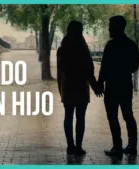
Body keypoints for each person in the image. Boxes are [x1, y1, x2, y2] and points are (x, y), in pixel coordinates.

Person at [97, 15, 139, 158]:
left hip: (112, 87)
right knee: (128, 116)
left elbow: (104, 67)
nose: (109, 28)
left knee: (113, 117)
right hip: (125, 85)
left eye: (110, 26)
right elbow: (135, 66)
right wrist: (124, 70)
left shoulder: (111, 45)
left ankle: (117, 147)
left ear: (117, 27)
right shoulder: (131, 45)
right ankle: (132, 146)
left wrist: (99, 83)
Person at [57, 21, 101, 156]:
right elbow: (89, 69)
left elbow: (61, 70)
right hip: (81, 86)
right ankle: (79, 146)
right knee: (80, 117)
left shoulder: (62, 48)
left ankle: (70, 145)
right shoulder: (83, 48)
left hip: (68, 86)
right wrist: (95, 86)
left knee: (68, 116)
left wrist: (61, 89)